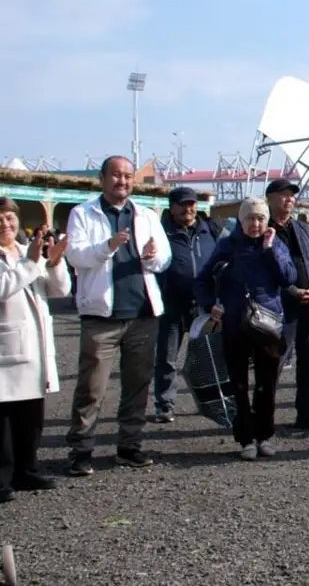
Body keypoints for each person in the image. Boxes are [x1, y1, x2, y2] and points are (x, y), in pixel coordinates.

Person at [64, 156, 173, 476]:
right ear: (102, 178)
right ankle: (81, 449)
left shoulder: (146, 214)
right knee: (91, 387)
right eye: (116, 175)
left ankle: (130, 445)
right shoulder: (83, 213)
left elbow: (163, 257)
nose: (122, 181)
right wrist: (107, 246)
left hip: (142, 312)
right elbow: (76, 255)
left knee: (138, 384)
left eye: (127, 176)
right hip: (101, 316)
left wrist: (153, 257)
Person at [196, 198, 295, 460]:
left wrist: (271, 249)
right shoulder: (227, 246)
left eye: (261, 218)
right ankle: (246, 438)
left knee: (267, 384)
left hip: (269, 324)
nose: (255, 223)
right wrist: (210, 305)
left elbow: (288, 278)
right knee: (238, 383)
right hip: (235, 322)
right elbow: (203, 279)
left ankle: (265, 435)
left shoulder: (275, 245)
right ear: (241, 220)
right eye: (250, 218)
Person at [0, 199, 70, 501]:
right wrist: (30, 263)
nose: (6, 224)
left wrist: (53, 263)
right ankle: (2, 480)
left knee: (31, 414)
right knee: (3, 419)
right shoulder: (23, 255)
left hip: (34, 344)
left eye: (10, 218)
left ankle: (27, 470)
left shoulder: (27, 248)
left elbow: (59, 290)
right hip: (6, 346)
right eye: (0, 219)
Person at [265, 179, 309, 430]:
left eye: (292, 195)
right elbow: (264, 270)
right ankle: (265, 415)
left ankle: (306, 411)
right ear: (270, 198)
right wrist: (293, 291)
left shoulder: (304, 229)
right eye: (283, 195)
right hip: (281, 309)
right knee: (275, 362)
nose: (289, 199)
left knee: (308, 363)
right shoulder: (264, 231)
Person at [153, 186, 217, 423]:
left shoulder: (209, 229)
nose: (187, 209)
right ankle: (165, 404)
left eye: (191, 204)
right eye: (181, 204)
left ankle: (208, 402)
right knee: (167, 358)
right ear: (172, 207)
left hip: (204, 306)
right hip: (172, 305)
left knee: (205, 358)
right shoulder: (161, 233)